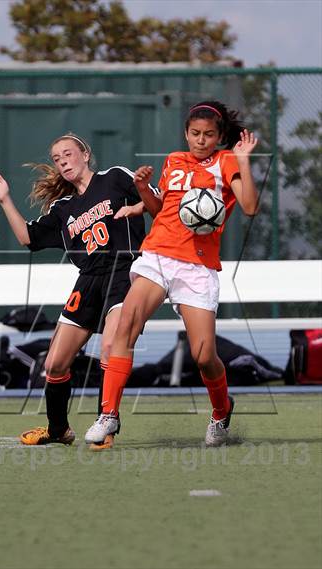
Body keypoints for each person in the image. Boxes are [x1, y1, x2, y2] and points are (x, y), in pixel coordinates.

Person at [85, 100, 259, 448]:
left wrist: (242, 160)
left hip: (197, 266)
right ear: (186, 133)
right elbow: (159, 210)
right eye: (195, 133)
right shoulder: (174, 161)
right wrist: (144, 189)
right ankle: (109, 415)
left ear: (219, 136)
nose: (201, 140)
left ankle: (221, 411)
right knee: (124, 326)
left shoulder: (226, 162)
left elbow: (250, 206)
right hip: (158, 256)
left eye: (209, 135)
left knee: (204, 355)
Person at [0, 133, 160, 448]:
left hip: (124, 272)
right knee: (54, 364)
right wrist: (4, 199)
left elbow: (157, 204)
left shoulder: (115, 178)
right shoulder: (63, 207)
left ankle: (105, 423)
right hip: (88, 280)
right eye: (56, 158)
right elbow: (28, 238)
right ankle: (59, 430)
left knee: (111, 347)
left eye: (68, 153)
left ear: (86, 154)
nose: (63, 160)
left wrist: (139, 205)